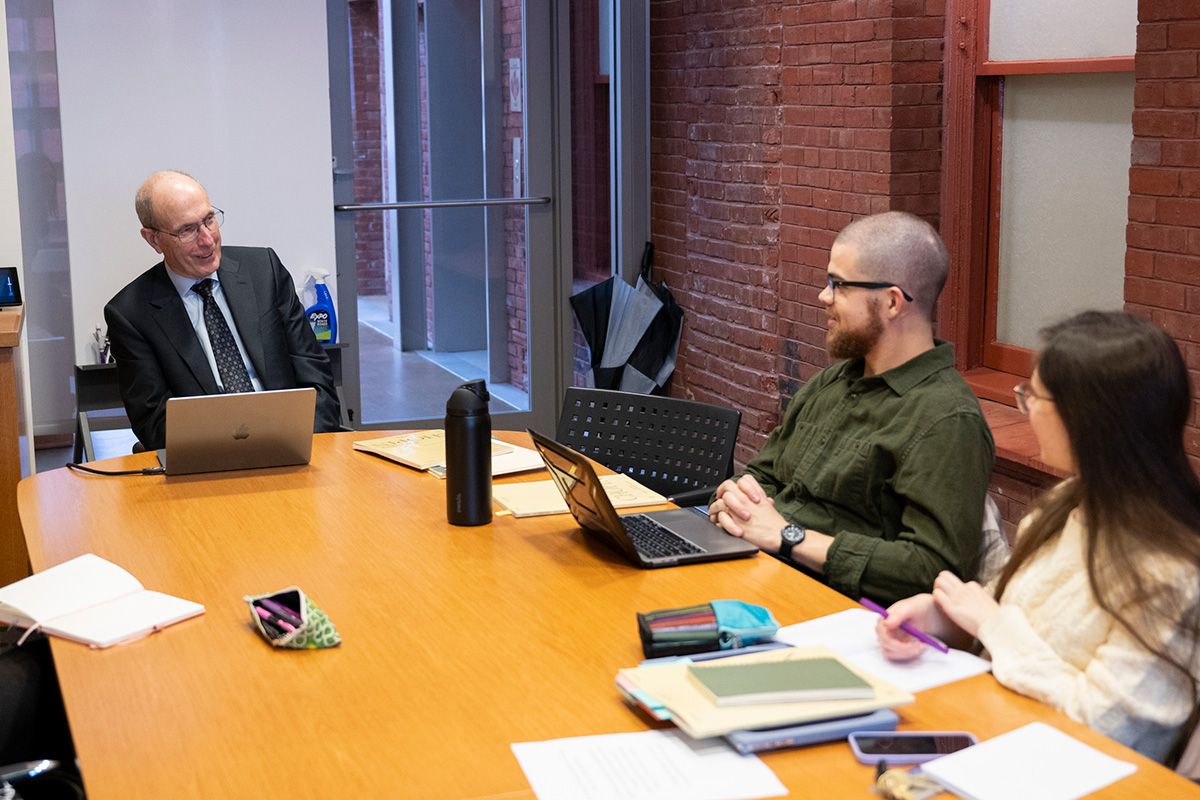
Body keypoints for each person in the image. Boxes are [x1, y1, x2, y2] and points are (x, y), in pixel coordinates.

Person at [877, 310, 1200, 766]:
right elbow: (1010, 610)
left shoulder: (1172, 572)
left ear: (1086, 418)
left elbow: (1107, 728)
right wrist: (940, 619)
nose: (1023, 408)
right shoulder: (1069, 501)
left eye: (1032, 395)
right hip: (1001, 736)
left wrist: (989, 623)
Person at [709, 211, 994, 607]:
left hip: (839, 614)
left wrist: (787, 536)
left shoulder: (946, 420)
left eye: (838, 285)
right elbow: (765, 474)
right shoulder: (833, 382)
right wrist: (737, 499)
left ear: (892, 302)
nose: (824, 297)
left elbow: (932, 570)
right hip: (756, 574)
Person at [105, 171, 341, 450]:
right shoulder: (131, 314)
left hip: (292, 444)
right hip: (207, 460)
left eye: (209, 220)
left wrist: (312, 443)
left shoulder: (264, 271)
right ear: (153, 240)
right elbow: (154, 421)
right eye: (187, 230)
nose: (207, 240)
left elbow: (314, 373)